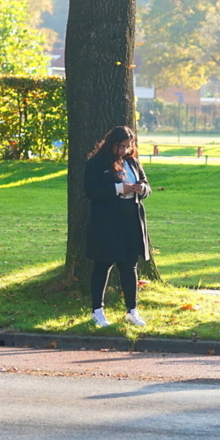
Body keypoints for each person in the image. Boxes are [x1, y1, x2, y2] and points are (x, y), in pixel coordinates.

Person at [84, 126, 152, 328]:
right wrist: (117, 189)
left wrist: (141, 189)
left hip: (131, 218)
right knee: (102, 264)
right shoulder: (96, 163)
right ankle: (97, 310)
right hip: (107, 221)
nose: (124, 150)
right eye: (120, 146)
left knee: (130, 265)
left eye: (127, 146)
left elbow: (147, 186)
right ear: (111, 143)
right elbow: (90, 191)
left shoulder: (131, 162)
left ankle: (132, 310)